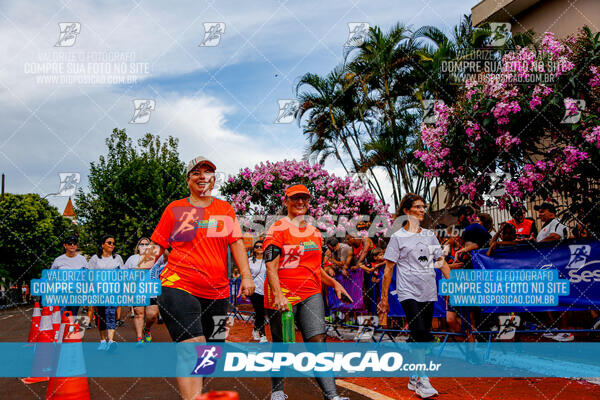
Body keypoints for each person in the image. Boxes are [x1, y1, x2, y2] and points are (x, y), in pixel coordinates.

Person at [149, 156, 255, 400]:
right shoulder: (175, 209)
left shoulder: (224, 209)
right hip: (178, 282)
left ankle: (193, 392)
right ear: (188, 180)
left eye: (207, 172)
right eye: (196, 172)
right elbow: (157, 247)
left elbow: (236, 242)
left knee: (212, 353)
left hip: (218, 292)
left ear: (213, 181)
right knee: (193, 345)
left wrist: (247, 276)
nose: (202, 177)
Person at [264, 184, 352, 400]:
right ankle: (277, 391)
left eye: (304, 198)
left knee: (317, 341)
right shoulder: (276, 229)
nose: (300, 202)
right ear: (286, 201)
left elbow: (315, 268)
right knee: (281, 343)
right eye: (295, 198)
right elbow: (270, 266)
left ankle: (331, 396)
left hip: (310, 293)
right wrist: (278, 294)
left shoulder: (314, 232)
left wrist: (333, 284)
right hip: (281, 294)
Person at [377, 193, 450, 399]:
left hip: (429, 291)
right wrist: (384, 300)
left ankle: (413, 374)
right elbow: (388, 270)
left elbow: (441, 261)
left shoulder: (429, 235)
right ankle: (422, 380)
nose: (422, 210)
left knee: (423, 334)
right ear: (406, 211)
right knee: (418, 331)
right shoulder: (398, 237)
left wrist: (454, 284)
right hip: (407, 292)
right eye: (417, 206)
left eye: (423, 207)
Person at [87, 235, 124, 350]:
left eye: (113, 243)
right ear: (102, 245)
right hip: (99, 292)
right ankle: (103, 340)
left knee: (111, 314)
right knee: (101, 316)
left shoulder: (117, 258)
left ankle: (111, 340)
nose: (112, 245)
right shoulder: (95, 259)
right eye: (109, 243)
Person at [124, 237, 161, 345]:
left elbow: (166, 257)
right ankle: (139, 338)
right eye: (142, 244)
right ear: (138, 247)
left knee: (152, 314)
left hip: (152, 291)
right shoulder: (132, 259)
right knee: (138, 313)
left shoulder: (155, 258)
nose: (144, 246)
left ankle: (147, 329)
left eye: (146, 244)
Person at [51, 235, 88, 319]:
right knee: (63, 316)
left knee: (73, 317)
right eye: (69, 243)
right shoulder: (58, 260)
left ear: (77, 246)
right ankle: (63, 330)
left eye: (74, 244)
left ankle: (70, 331)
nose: (72, 245)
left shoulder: (82, 259)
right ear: (65, 245)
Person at [248, 240, 267, 343]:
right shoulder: (250, 261)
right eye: (257, 247)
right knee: (260, 312)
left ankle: (255, 329)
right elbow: (246, 275)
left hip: (265, 290)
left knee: (261, 312)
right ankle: (263, 335)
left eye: (261, 246)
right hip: (254, 290)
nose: (259, 248)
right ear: (254, 249)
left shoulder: (268, 261)